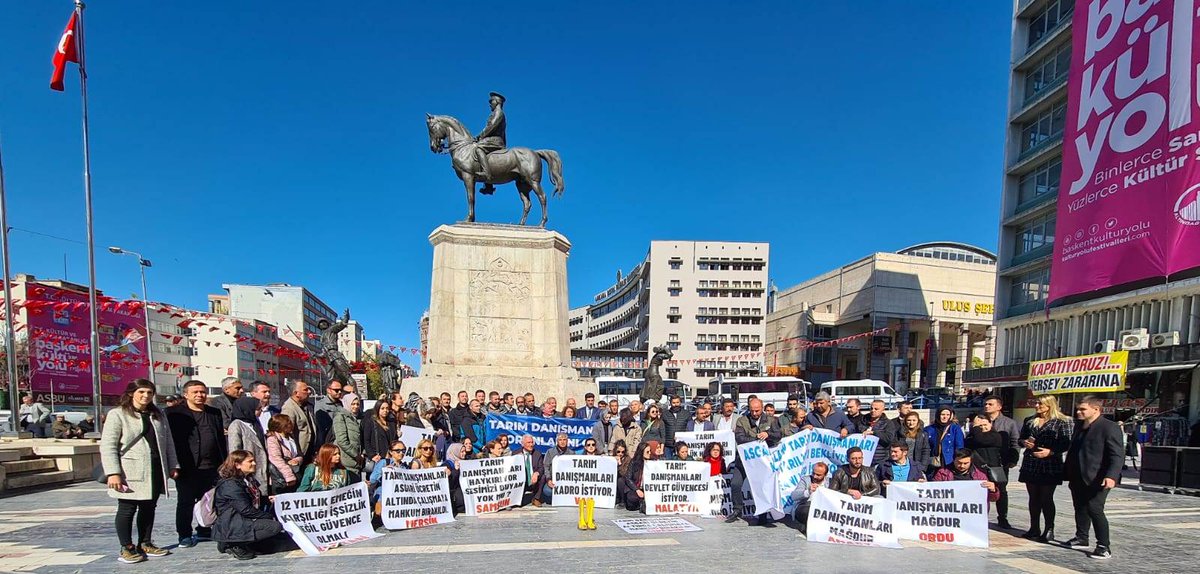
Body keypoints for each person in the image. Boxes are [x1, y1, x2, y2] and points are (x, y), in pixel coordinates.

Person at [100, 380, 179, 564]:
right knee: (127, 509)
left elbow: (168, 442)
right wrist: (113, 472)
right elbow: (108, 445)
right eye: (141, 391)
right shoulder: (117, 414)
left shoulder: (157, 414)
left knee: (149, 508)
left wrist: (173, 464)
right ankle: (126, 546)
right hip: (131, 469)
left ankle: (145, 542)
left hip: (155, 468)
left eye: (150, 392)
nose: (146, 396)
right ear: (131, 393)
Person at [167, 380, 227, 548]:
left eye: (202, 392)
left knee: (208, 500)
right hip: (187, 467)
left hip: (212, 466)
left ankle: (204, 529)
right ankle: (184, 534)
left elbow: (220, 439)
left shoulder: (214, 413)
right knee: (185, 502)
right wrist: (174, 465)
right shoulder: (174, 413)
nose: (200, 395)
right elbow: (170, 442)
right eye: (195, 392)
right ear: (186, 394)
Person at [1063, 395, 1123, 560]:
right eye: (1078, 409)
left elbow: (1117, 455)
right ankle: (1082, 537)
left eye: (1083, 409)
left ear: (1096, 409)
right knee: (1080, 507)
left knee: (1095, 509)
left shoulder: (1109, 427)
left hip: (1098, 477)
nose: (1078, 412)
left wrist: (1111, 476)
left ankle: (1104, 546)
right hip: (1077, 476)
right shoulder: (1079, 426)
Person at [212, 450, 295, 560]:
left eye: (254, 461)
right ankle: (232, 543)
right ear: (237, 465)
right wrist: (270, 517)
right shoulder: (230, 485)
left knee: (282, 540)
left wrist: (269, 499)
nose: (254, 463)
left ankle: (246, 543)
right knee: (274, 527)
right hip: (234, 523)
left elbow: (254, 498)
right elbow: (245, 509)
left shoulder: (248, 479)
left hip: (246, 519)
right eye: (250, 461)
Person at [1016, 394, 1073, 543]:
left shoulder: (1062, 421)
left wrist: (1051, 451)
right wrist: (1024, 442)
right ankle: (1034, 527)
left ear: (1049, 405)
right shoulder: (1030, 421)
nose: (1037, 406)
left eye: (1040, 404)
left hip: (1050, 463)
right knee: (1033, 497)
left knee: (1046, 497)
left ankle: (1049, 529)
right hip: (1031, 462)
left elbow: (1066, 443)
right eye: (1036, 403)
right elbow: (1021, 438)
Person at [973, 395, 1022, 530]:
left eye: (990, 404)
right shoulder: (979, 420)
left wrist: (1013, 459)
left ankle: (1003, 517)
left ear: (999, 407)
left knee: (1001, 490)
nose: (987, 406)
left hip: (1000, 463)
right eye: (986, 404)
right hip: (980, 462)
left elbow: (1015, 443)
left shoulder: (1008, 423)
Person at [731, 397, 781, 524]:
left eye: (757, 411)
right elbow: (740, 438)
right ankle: (737, 509)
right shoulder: (742, 421)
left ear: (762, 408)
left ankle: (763, 513)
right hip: (744, 459)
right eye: (752, 411)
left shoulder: (772, 420)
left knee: (762, 487)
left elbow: (778, 435)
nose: (754, 413)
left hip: (762, 461)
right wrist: (757, 438)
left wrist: (768, 435)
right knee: (735, 484)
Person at [226, 396, 268, 487]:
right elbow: (235, 450)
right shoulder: (236, 425)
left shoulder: (255, 424)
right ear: (248, 409)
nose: (260, 411)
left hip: (260, 468)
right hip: (247, 470)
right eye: (258, 409)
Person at [932, 448, 1000, 504]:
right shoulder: (943, 473)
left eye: (965, 463)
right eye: (959, 463)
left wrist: (993, 490)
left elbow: (992, 499)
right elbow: (933, 492)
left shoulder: (979, 476)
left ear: (971, 461)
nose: (962, 466)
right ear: (953, 460)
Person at [280, 380, 316, 463]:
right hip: (299, 454)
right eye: (305, 390)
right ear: (296, 393)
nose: (309, 392)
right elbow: (287, 432)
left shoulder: (306, 406)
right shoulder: (289, 408)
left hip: (310, 452)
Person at [264, 414, 302, 493]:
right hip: (283, 478)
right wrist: (289, 476)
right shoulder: (272, 439)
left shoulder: (291, 437)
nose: (291, 425)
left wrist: (297, 460)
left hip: (295, 472)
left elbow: (299, 454)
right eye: (288, 424)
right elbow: (276, 459)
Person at [333, 393, 364, 480]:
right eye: (353, 404)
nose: (356, 406)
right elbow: (342, 440)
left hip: (356, 460)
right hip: (345, 459)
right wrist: (355, 454)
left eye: (357, 404)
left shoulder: (358, 418)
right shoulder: (340, 416)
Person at [792, 462, 831, 530]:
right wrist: (808, 492)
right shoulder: (805, 480)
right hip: (806, 506)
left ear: (825, 475)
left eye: (818, 475)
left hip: (823, 508)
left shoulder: (830, 482)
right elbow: (794, 496)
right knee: (806, 511)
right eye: (813, 473)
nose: (815, 476)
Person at [620, 441, 657, 512]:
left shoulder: (652, 462)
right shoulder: (634, 462)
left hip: (648, 489)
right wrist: (637, 489)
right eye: (647, 452)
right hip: (637, 487)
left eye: (650, 451)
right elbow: (628, 478)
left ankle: (644, 503)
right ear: (641, 452)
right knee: (631, 499)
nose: (649, 453)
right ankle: (640, 504)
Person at [926, 407, 965, 475]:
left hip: (949, 461)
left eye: (947, 415)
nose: (945, 417)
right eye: (942, 414)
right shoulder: (929, 429)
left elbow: (959, 446)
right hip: (933, 461)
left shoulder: (955, 428)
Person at [368, 440, 408, 506]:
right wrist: (384, 470)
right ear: (391, 452)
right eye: (398, 451)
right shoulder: (384, 462)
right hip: (383, 495)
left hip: (398, 497)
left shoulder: (405, 467)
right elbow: (372, 479)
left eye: (403, 450)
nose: (401, 453)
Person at [363, 400, 395, 475]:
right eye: (382, 408)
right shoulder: (371, 422)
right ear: (378, 409)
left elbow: (394, 439)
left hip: (389, 458)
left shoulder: (391, 423)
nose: (385, 410)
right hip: (377, 458)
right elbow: (366, 441)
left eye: (387, 408)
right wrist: (372, 455)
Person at [313, 380, 347, 445]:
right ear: (329, 390)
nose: (339, 392)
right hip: (328, 442)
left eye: (341, 390)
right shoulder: (321, 405)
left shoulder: (341, 403)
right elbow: (322, 427)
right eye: (336, 390)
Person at [516, 434, 546, 507]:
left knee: (543, 477)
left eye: (532, 442)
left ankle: (536, 498)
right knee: (519, 504)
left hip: (534, 480)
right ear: (522, 444)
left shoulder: (537, 453)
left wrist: (537, 473)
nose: (531, 444)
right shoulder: (516, 454)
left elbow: (541, 468)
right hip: (522, 481)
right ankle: (516, 499)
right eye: (528, 443)